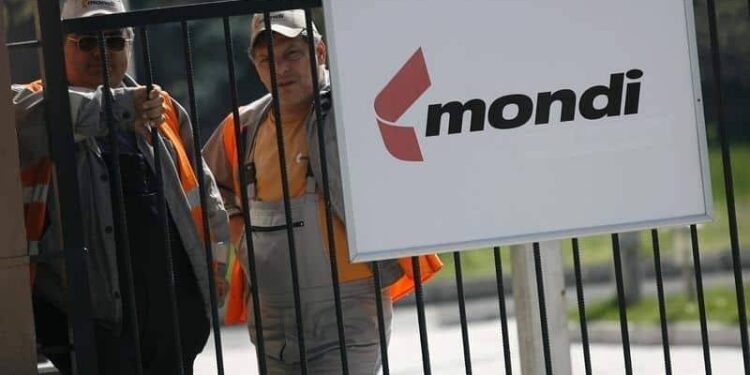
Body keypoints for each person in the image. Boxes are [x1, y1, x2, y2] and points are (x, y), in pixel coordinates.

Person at [203, 10, 443, 374]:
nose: (281, 69)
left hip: (349, 309)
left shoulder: (354, 111)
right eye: (269, 60)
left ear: (319, 52)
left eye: (292, 55)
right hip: (272, 313)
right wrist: (239, 232)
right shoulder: (243, 127)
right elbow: (206, 185)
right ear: (256, 66)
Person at [12, 0, 229, 373]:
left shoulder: (163, 109)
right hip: (88, 332)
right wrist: (121, 108)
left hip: (172, 329)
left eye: (113, 40)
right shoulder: (29, 104)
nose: (101, 51)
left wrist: (209, 290)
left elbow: (207, 203)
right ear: (57, 45)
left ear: (129, 45)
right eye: (85, 42)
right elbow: (43, 122)